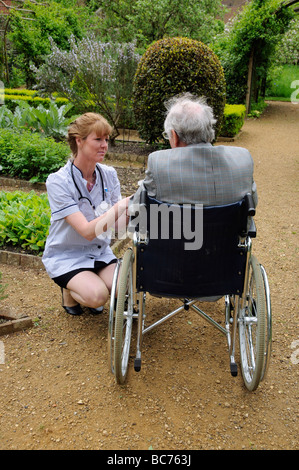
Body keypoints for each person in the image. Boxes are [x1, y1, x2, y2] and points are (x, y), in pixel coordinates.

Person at [42, 112, 131, 315]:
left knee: (124, 288)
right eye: (98, 139)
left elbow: (117, 226)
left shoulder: (108, 175)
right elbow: (86, 231)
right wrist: (120, 206)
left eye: (106, 139)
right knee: (97, 297)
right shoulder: (58, 181)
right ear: (79, 141)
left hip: (98, 251)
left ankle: (90, 280)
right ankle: (69, 291)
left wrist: (134, 209)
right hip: (67, 255)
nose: (104, 145)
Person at [133, 93, 257, 207]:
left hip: (176, 231)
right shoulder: (243, 159)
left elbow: (136, 209)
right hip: (230, 231)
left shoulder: (158, 164)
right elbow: (253, 203)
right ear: (209, 133)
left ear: (174, 136)